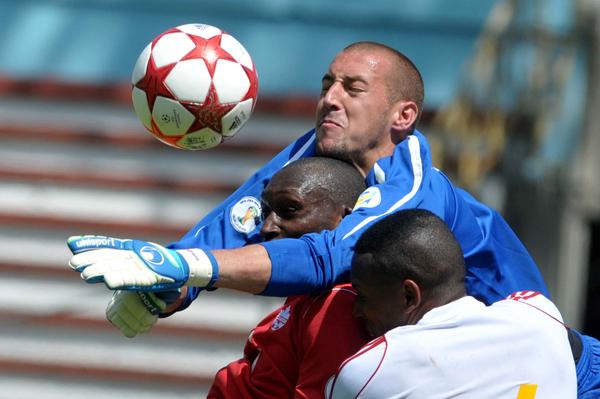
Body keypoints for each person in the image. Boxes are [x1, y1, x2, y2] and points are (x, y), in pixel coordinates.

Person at [66, 41, 600, 397]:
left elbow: (328, 259)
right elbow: (245, 214)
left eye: (352, 88)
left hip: (547, 368)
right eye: (327, 84)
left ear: (403, 117)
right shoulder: (314, 155)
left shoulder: (413, 188)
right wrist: (169, 285)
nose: (329, 98)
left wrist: (188, 265)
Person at [327, 209, 577, 398]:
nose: (356, 310)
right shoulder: (538, 313)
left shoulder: (369, 370)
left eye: (363, 296)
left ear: (409, 296)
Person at [208, 156, 370, 398]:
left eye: (289, 209)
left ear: (345, 221)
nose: (267, 228)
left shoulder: (337, 306)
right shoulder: (306, 298)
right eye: (267, 213)